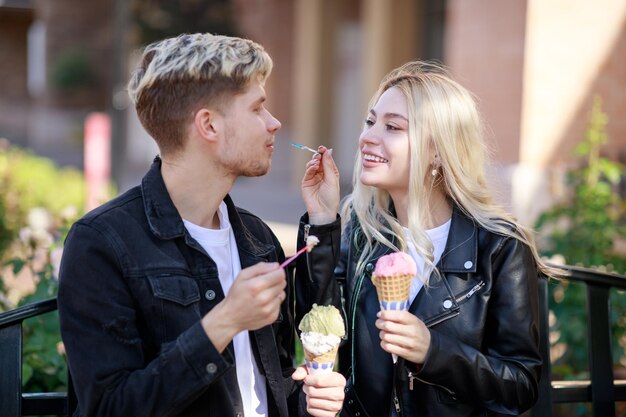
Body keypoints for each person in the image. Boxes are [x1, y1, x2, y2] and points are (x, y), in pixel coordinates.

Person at [58, 33, 345, 417]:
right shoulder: (102, 244)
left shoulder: (257, 239)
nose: (274, 123)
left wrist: (311, 401)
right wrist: (222, 323)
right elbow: (109, 407)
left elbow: (269, 387)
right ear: (208, 125)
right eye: (258, 108)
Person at [295, 61, 549, 416]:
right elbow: (317, 327)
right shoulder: (361, 236)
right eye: (370, 122)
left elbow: (521, 385)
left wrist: (434, 352)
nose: (367, 137)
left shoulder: (500, 248)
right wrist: (322, 222)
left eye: (393, 127)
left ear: (438, 150)